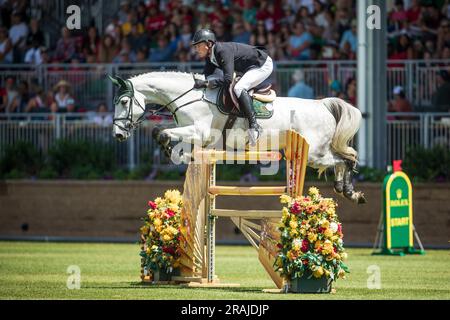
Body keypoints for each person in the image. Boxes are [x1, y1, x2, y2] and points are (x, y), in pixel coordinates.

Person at [191, 29, 274, 145]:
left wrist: (205, 84)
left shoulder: (222, 51)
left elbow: (228, 79)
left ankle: (254, 126)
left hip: (262, 64)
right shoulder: (210, 57)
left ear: (209, 44)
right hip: (248, 67)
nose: (196, 49)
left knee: (239, 88)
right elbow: (207, 77)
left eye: (199, 45)